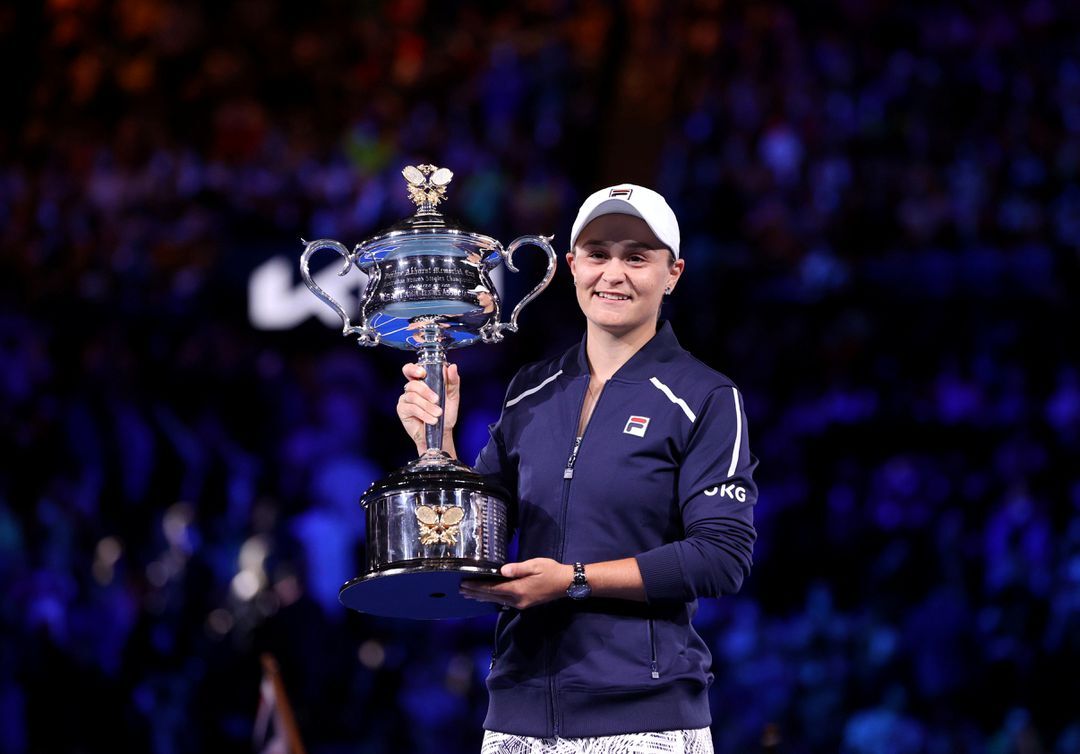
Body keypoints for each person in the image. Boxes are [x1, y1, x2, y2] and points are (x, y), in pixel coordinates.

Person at [396, 184, 758, 754]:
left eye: (637, 256)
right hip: (516, 720)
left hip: (645, 722)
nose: (613, 273)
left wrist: (573, 581)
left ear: (673, 273)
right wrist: (433, 449)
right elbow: (475, 543)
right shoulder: (531, 392)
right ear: (571, 266)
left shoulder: (705, 397)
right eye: (597, 254)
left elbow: (722, 557)